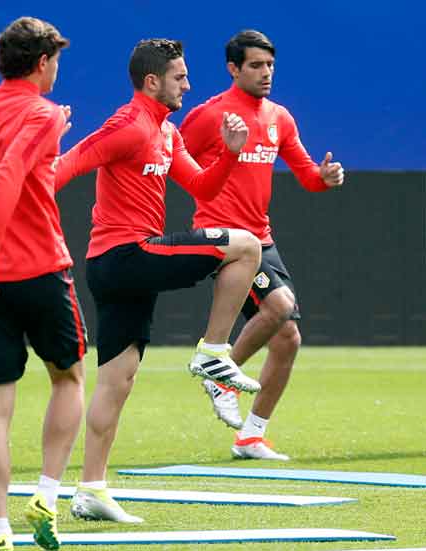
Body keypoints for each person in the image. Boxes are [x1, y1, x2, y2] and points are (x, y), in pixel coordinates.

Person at [53, 38, 261, 523]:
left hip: (121, 266)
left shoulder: (167, 131)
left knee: (117, 382)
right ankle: (213, 353)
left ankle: (91, 489)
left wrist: (230, 154)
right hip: (125, 255)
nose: (188, 85)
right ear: (152, 81)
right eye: (179, 77)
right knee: (247, 245)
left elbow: (203, 186)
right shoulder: (128, 125)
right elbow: (66, 167)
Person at [180, 29, 344, 460]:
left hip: (261, 238)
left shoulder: (279, 117)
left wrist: (325, 178)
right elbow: (174, 161)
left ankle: (251, 436)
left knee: (288, 338)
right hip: (226, 239)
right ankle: (220, 374)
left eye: (270, 65)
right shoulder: (207, 115)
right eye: (255, 65)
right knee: (280, 306)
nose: (266, 72)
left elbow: (307, 175)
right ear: (233, 69)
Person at [0, 17, 85, 551]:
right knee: (69, 378)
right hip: (37, 268)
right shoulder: (43, 112)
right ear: (42, 62)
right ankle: (47, 494)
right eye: (56, 61)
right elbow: (10, 172)